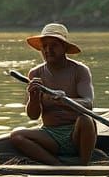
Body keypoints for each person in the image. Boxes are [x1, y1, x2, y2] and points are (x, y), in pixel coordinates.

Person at [10, 22, 97, 165]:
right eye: (44, 46)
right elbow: (33, 116)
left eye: (54, 45)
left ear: (64, 48)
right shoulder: (35, 73)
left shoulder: (80, 70)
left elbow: (88, 103)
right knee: (16, 136)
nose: (48, 50)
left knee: (86, 119)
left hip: (76, 134)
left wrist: (65, 99)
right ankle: (58, 165)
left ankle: (83, 164)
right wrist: (33, 97)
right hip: (50, 135)